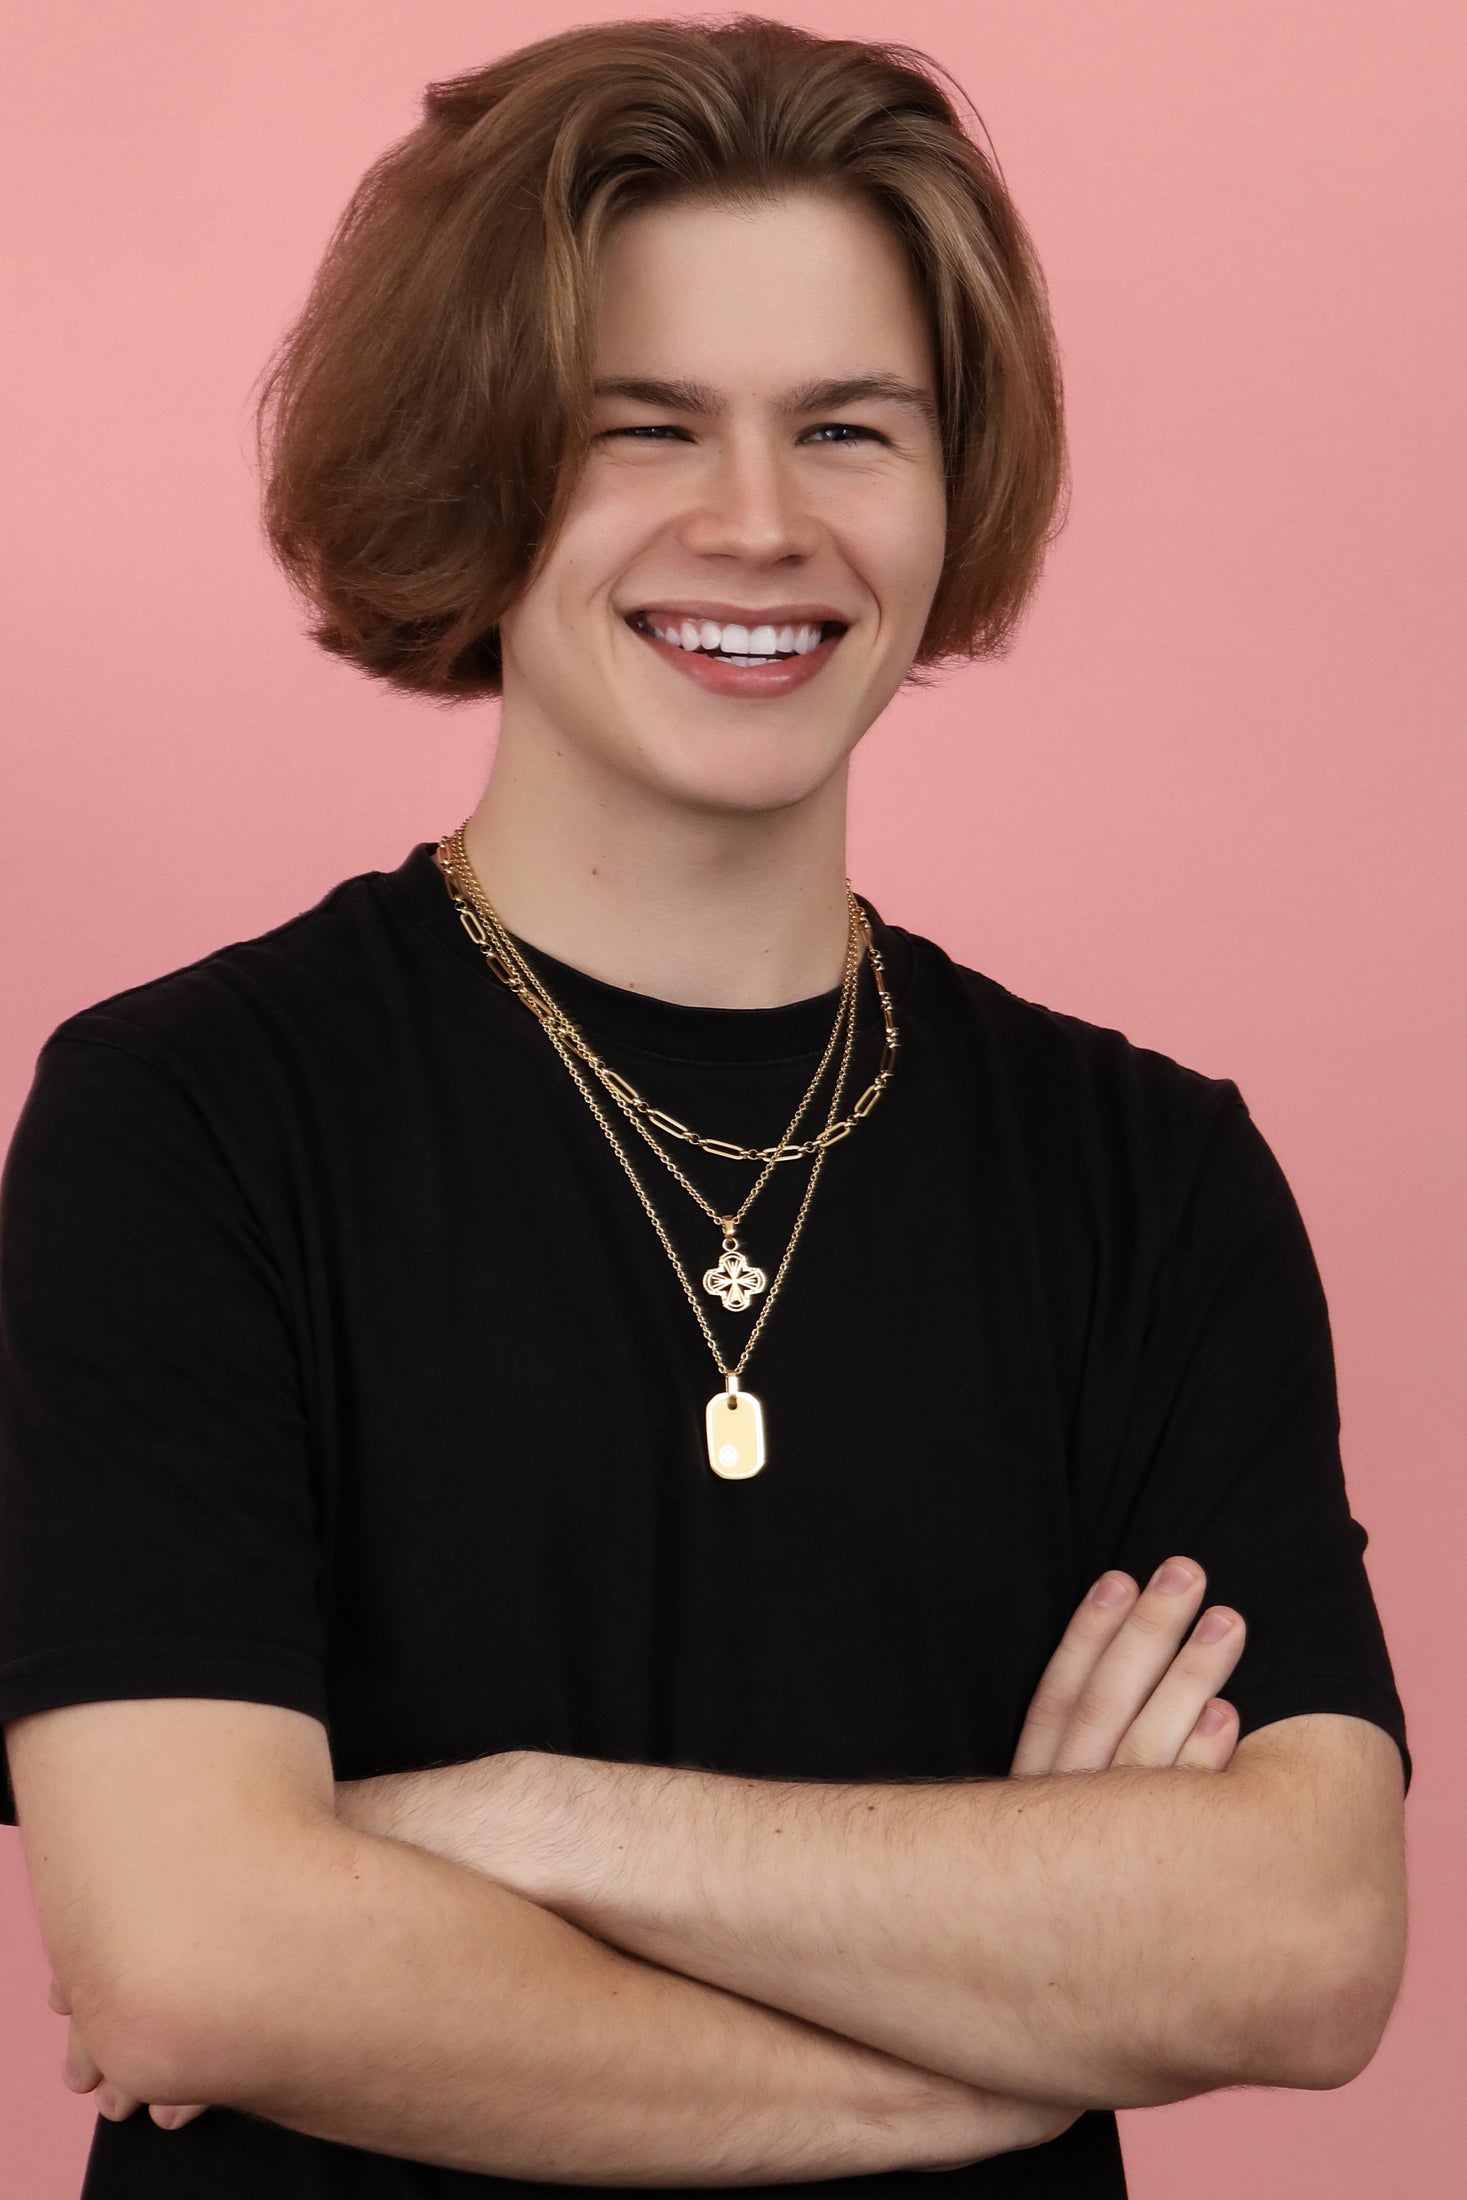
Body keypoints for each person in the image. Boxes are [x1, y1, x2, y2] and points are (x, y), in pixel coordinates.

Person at [0, 15, 1409, 2197]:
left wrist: (514, 1821)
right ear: (474, 461)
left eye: (846, 428)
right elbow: (200, 1962)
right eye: (638, 427)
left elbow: (1301, 1949)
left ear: (951, 482)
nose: (759, 524)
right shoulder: (183, 1121)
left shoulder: (1152, 1178)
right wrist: (1010, 2026)